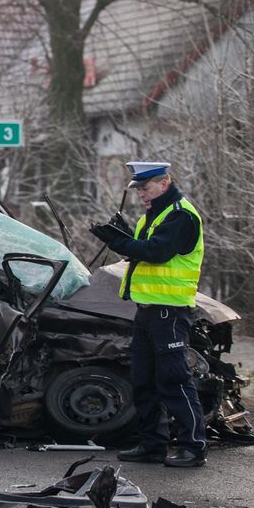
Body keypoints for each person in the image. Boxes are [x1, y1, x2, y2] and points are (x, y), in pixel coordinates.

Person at [90, 161, 207, 468]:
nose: (141, 194)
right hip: (147, 309)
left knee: (173, 379)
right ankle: (152, 444)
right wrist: (124, 236)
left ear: (164, 182)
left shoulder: (180, 215)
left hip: (170, 311)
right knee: (143, 379)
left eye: (145, 188)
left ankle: (193, 447)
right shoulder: (154, 215)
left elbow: (157, 253)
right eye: (138, 189)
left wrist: (117, 240)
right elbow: (141, 251)